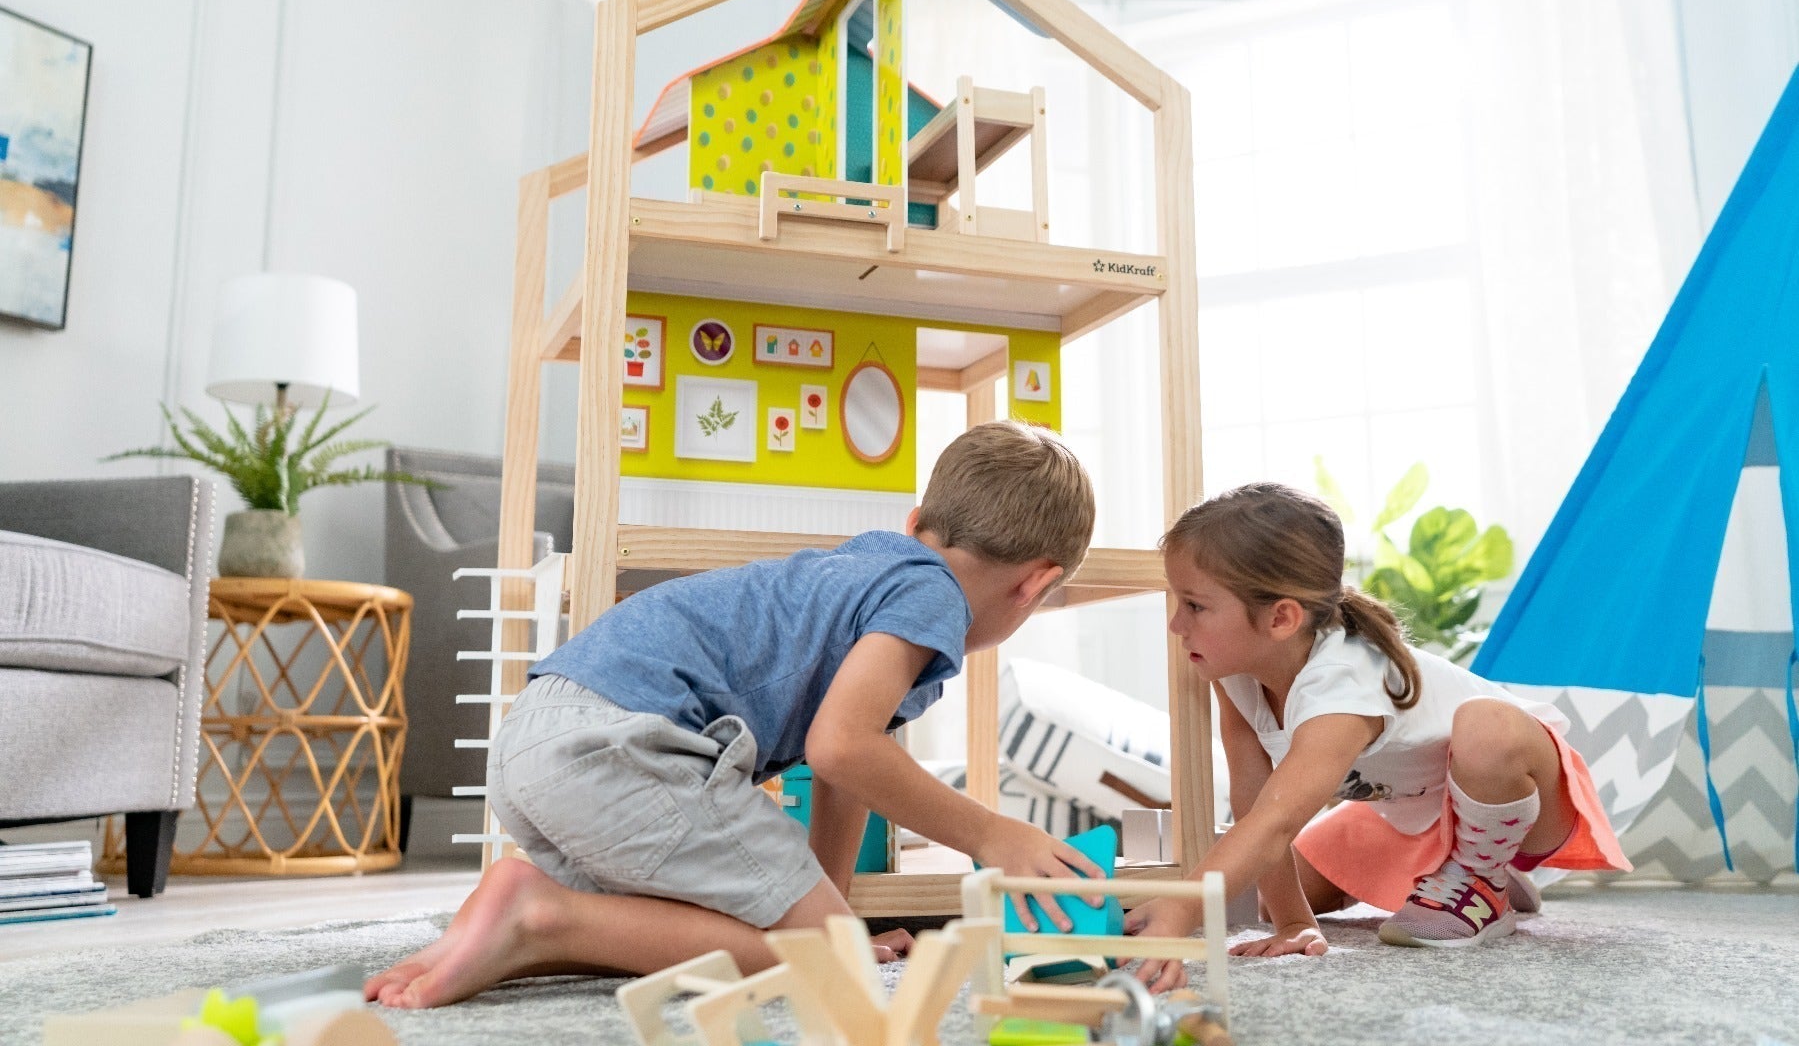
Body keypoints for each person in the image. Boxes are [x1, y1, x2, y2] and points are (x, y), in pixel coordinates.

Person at [367, 420, 1103, 1009]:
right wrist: (988, 832)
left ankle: (520, 931)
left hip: (541, 736)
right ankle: (542, 913)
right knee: (831, 966)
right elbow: (841, 747)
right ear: (1035, 587)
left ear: (916, 522)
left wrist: (824, 907)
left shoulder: (866, 569)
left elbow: (846, 763)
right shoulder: (930, 598)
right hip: (621, 752)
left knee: (803, 936)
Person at [1126, 482, 1628, 992]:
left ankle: (1482, 879)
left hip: (1524, 799)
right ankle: (1474, 873)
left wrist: (1182, 909)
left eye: (1194, 605)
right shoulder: (1235, 669)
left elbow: (1277, 820)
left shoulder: (1343, 678)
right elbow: (1255, 800)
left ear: (1281, 617)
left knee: (1487, 726)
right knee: (1277, 887)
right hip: (1414, 818)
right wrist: (1293, 923)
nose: (1175, 623)